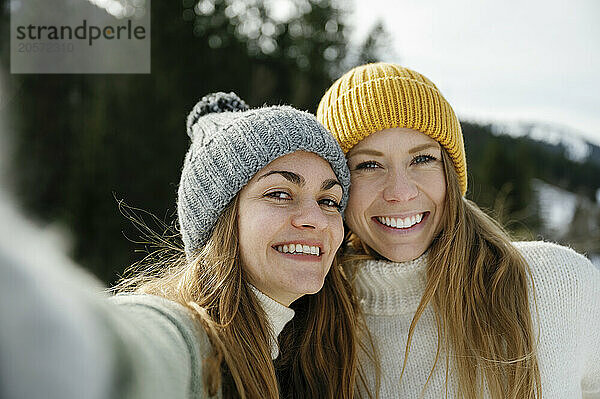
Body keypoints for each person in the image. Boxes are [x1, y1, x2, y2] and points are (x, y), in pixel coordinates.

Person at [0, 92, 370, 399]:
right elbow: (126, 351)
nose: (316, 219)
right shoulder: (191, 338)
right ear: (220, 220)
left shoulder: (312, 348)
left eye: (329, 201)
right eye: (279, 193)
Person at [316, 62, 600, 399]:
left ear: (451, 172)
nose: (400, 191)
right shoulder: (316, 329)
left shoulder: (555, 283)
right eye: (368, 165)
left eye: (422, 160)